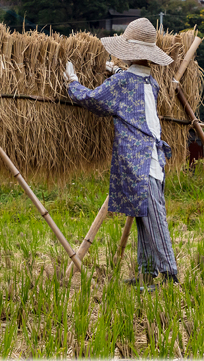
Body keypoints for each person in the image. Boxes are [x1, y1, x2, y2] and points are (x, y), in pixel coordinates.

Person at [64, 18, 178, 287]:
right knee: (144, 217)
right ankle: (147, 275)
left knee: (153, 219)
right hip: (153, 159)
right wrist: (116, 71)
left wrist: (72, 82)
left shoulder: (124, 82)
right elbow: (130, 83)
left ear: (130, 53)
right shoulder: (150, 82)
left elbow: (92, 99)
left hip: (140, 162)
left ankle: (170, 276)